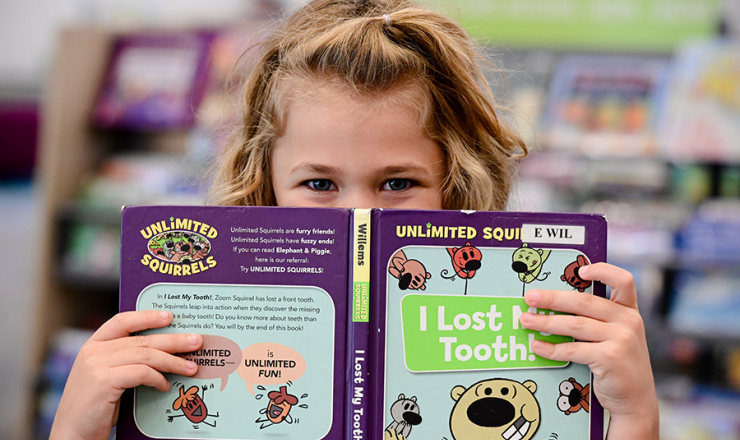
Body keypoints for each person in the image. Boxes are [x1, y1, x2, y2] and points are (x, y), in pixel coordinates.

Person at [50, 0, 659, 439]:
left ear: (456, 182)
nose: (359, 215)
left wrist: (632, 418)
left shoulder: (535, 321)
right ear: (265, 182)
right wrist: (76, 428)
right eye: (319, 183)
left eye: (398, 183)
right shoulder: (194, 324)